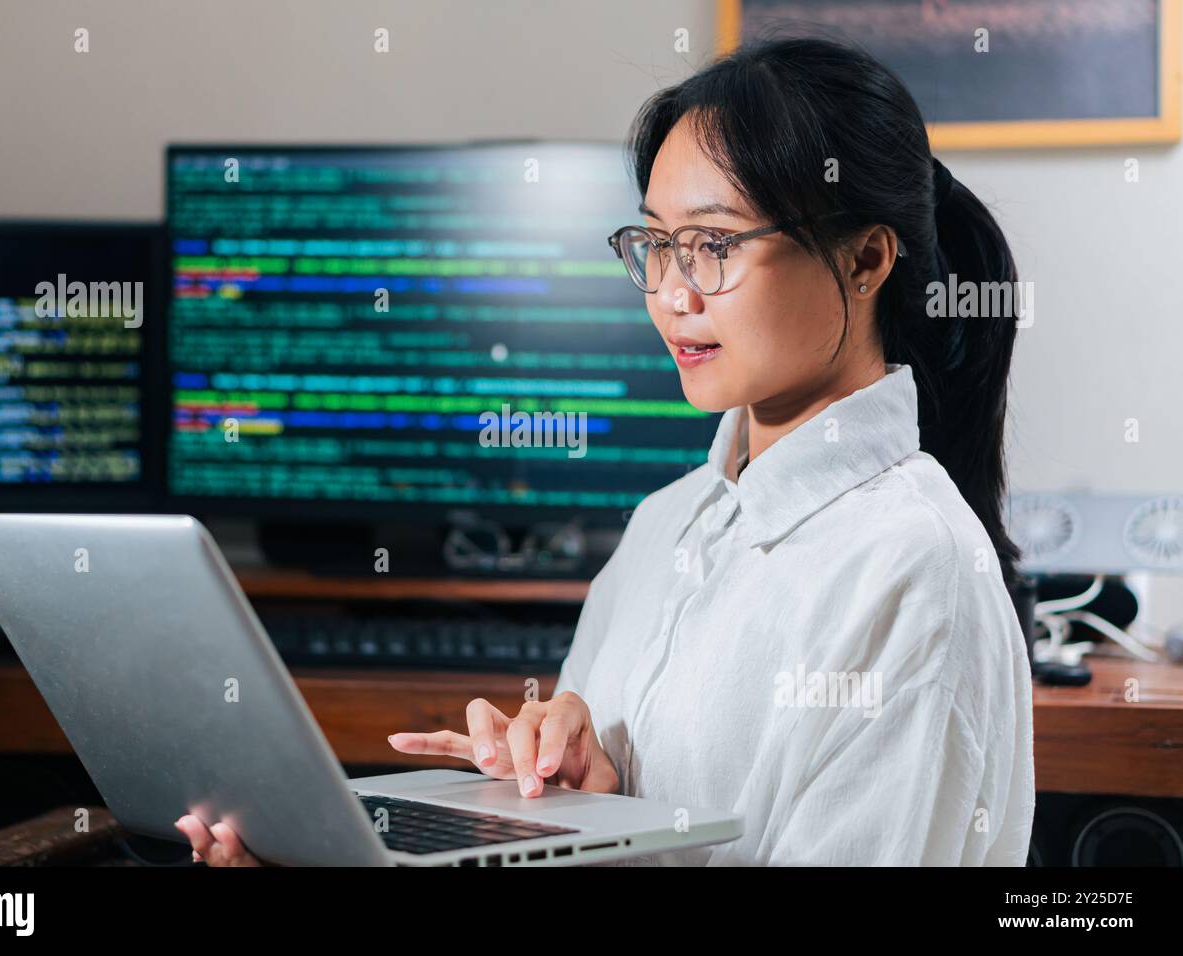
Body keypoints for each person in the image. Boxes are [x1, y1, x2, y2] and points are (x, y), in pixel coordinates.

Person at [179, 35, 1035, 867]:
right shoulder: (663, 528)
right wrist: (584, 803)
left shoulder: (917, 569)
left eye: (714, 245)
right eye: (657, 244)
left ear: (867, 258)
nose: (670, 294)